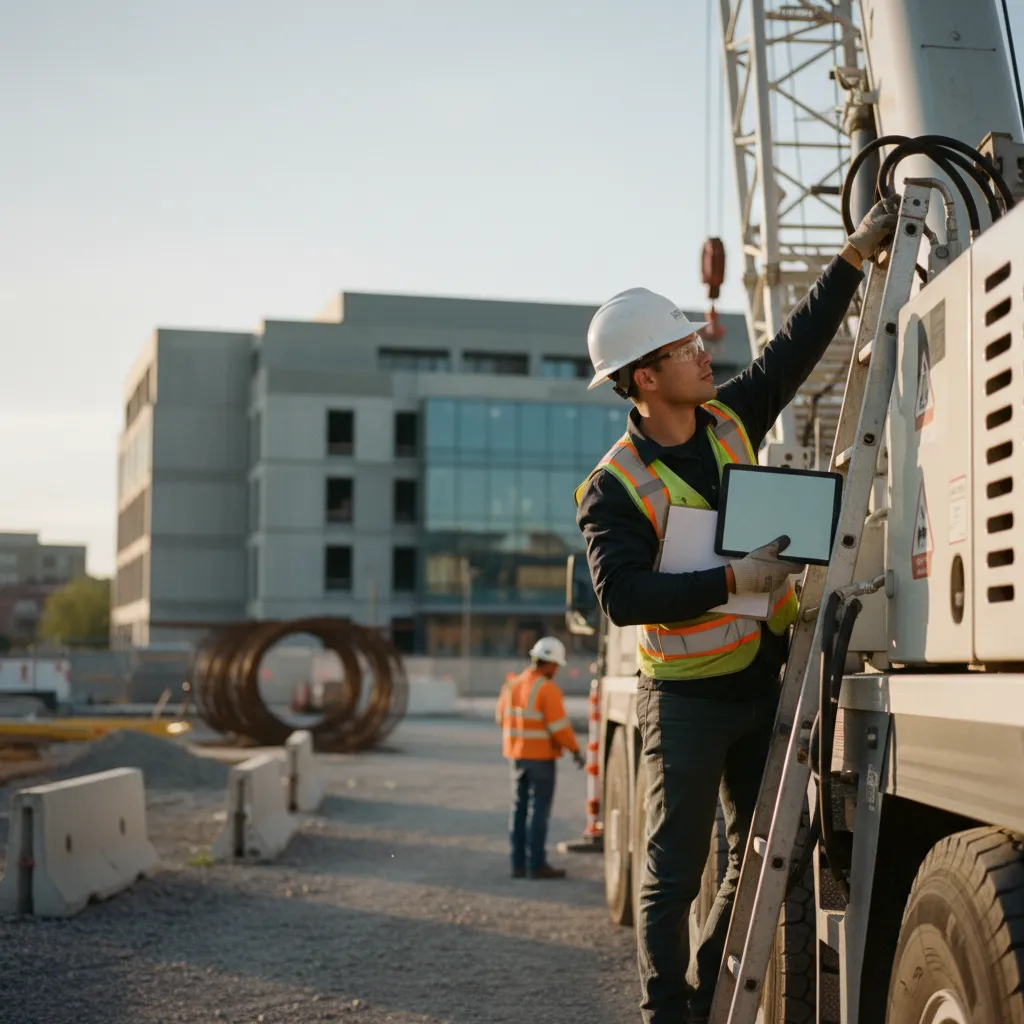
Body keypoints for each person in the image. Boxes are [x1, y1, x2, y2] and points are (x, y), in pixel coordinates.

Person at [575, 198, 899, 1023]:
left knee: (762, 859)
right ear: (645, 377)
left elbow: (795, 348)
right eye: (684, 348)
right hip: (681, 699)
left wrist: (853, 258)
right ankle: (665, 1013)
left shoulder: (729, 418)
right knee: (673, 870)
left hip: (759, 681)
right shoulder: (612, 487)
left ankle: (712, 979)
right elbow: (624, 598)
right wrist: (730, 579)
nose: (702, 351)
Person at [496, 635, 586, 879]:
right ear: (549, 663)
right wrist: (576, 750)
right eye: (557, 665)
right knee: (538, 812)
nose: (557, 670)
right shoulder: (547, 689)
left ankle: (518, 864)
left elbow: (500, 718)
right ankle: (536, 865)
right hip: (541, 759)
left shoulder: (511, 685)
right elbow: (559, 728)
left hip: (516, 756)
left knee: (518, 809)